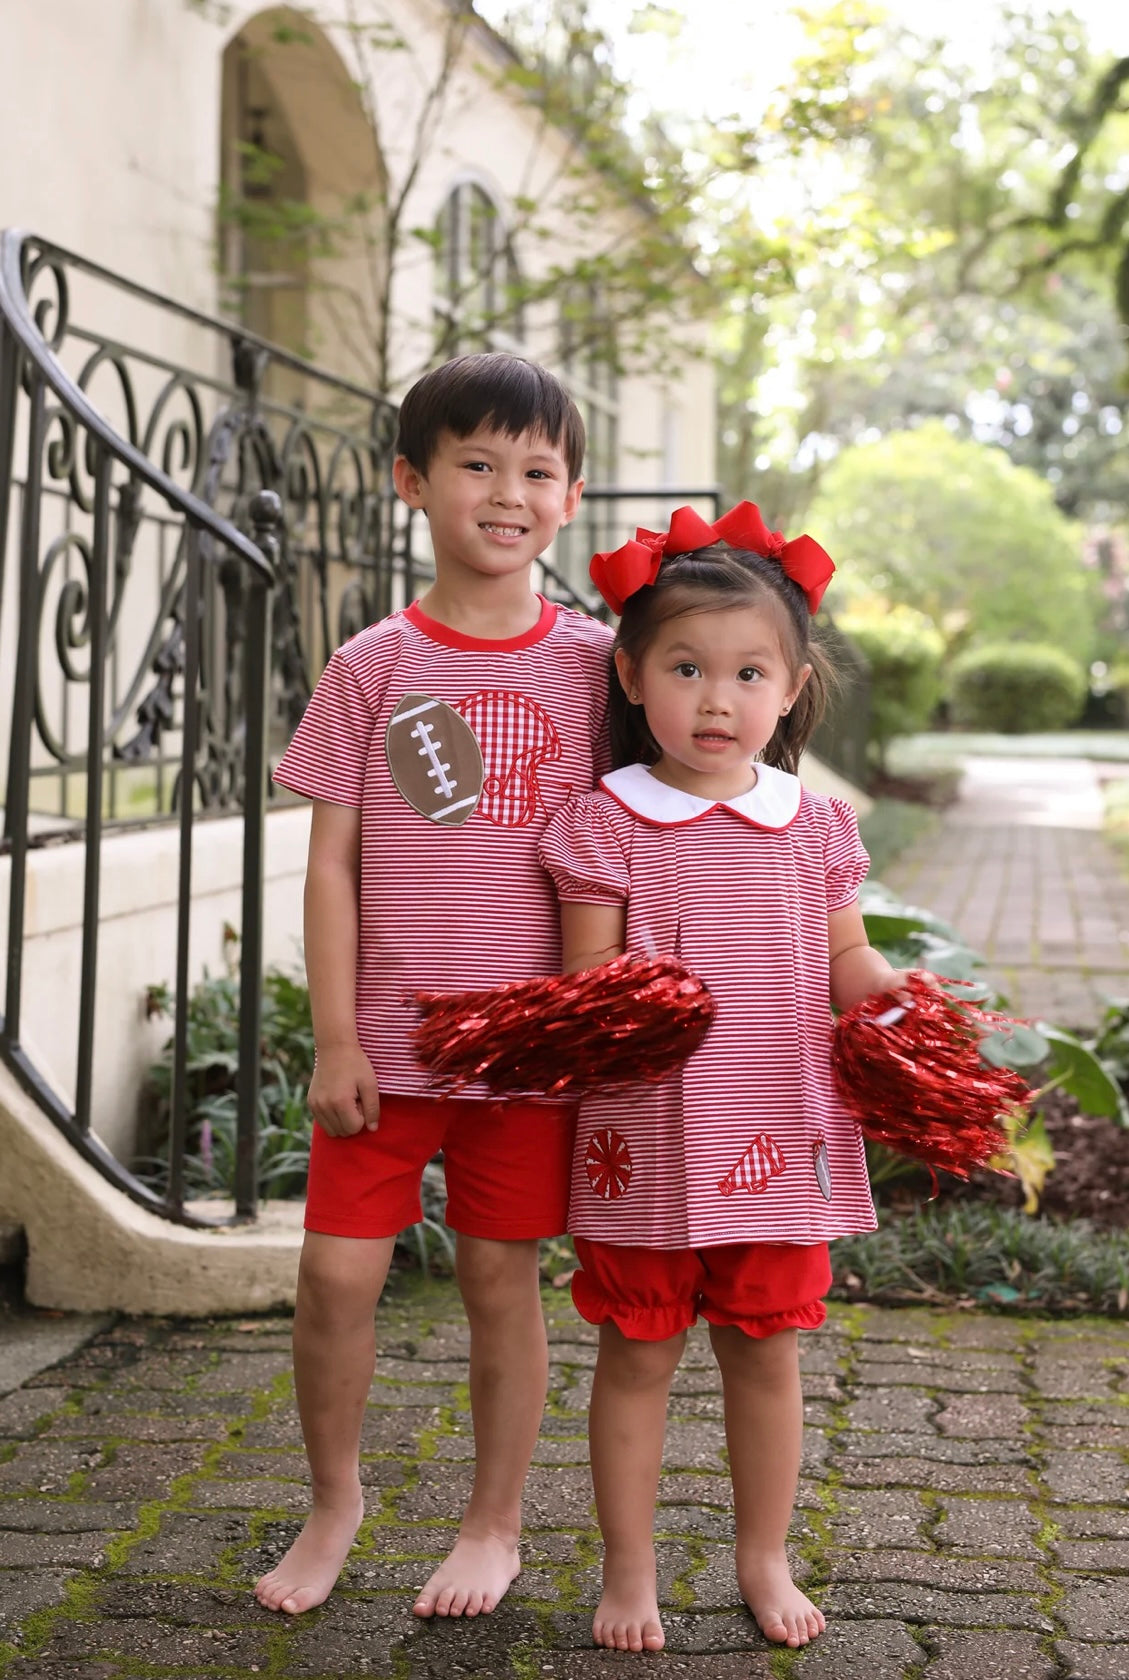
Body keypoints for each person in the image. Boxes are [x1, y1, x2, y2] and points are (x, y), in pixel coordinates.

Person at [257, 351, 613, 1620]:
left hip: (527, 1058)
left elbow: (690, 782)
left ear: (570, 496)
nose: (506, 491)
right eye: (474, 463)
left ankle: (494, 1521)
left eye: (536, 469)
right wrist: (335, 1033)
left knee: (496, 1282)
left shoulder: (598, 666)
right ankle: (335, 1498)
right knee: (336, 1281)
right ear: (413, 481)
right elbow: (333, 865)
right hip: (387, 1052)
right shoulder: (373, 664)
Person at [538, 501, 913, 1654]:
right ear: (632, 674)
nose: (717, 698)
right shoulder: (611, 823)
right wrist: (625, 1011)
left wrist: (893, 1003)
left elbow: (845, 954)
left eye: (749, 672)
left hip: (781, 1131)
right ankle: (629, 1568)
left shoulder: (814, 826)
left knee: (764, 1351)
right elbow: (584, 981)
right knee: (639, 1354)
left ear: (792, 688)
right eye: (688, 667)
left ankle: (763, 1553)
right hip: (649, 1140)